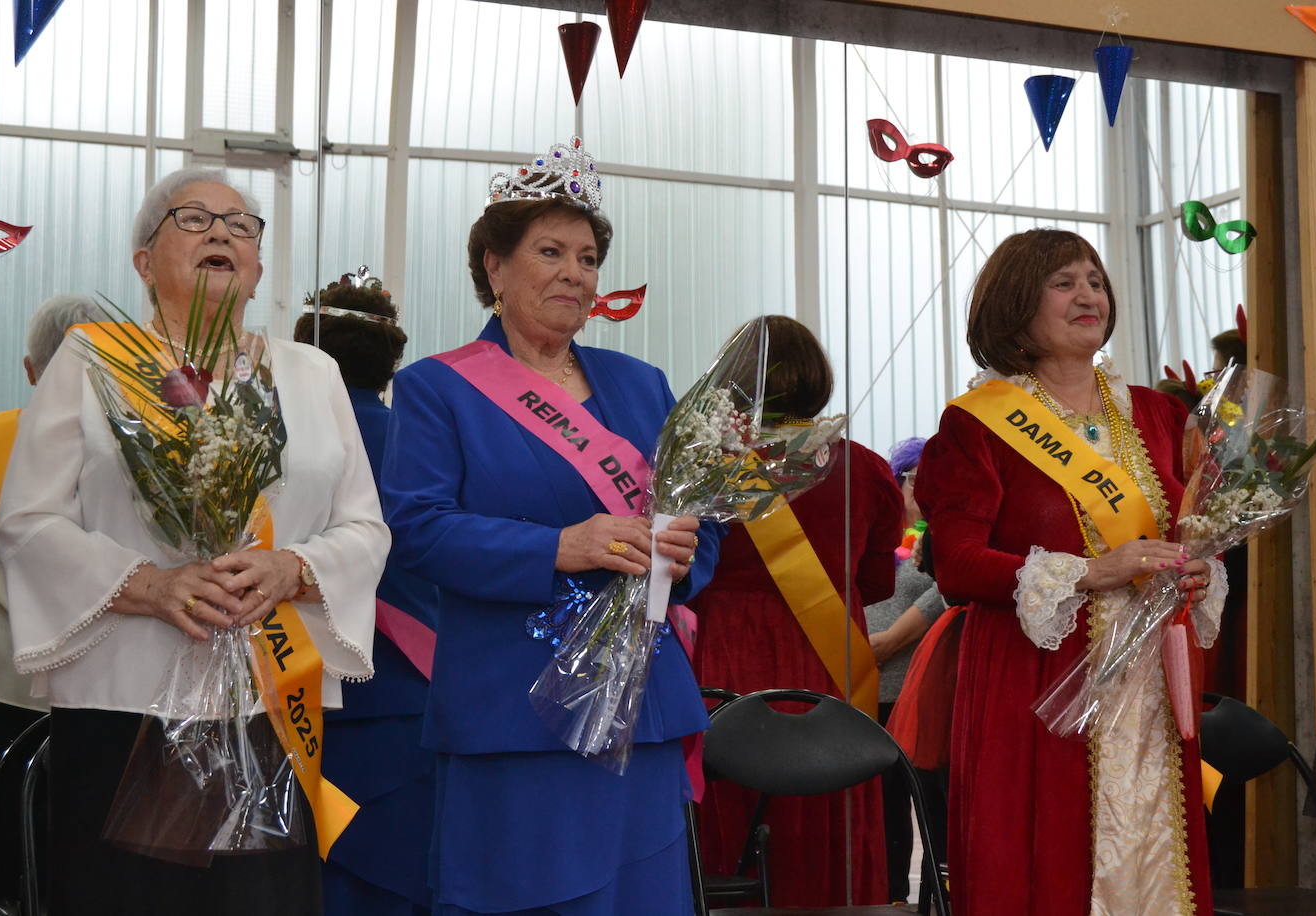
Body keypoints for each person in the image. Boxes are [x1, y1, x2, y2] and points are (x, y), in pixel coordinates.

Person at [0, 167, 387, 916]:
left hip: (273, 708)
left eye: (242, 225)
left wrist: (292, 567)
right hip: (124, 704)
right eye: (195, 219)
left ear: (259, 267)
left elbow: (365, 527)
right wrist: (148, 584)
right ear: (144, 261)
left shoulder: (312, 372)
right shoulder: (91, 360)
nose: (222, 233)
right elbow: (28, 520)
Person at [379, 137, 722, 914]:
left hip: (644, 707)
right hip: (514, 708)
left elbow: (699, 524)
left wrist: (684, 548)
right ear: (495, 268)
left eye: (589, 256)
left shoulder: (643, 385)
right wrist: (561, 547)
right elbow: (418, 530)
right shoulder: (439, 388)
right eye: (551, 251)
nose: (576, 271)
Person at [914, 228, 1225, 916]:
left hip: (1146, 686)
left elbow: (1184, 532)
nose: (1088, 294)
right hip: (1035, 682)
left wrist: (1196, 570)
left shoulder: (1154, 411)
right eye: (1064, 282)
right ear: (1016, 305)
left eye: (1094, 279)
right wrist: (1091, 571)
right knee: (1043, 868)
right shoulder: (978, 425)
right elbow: (959, 566)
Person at [690, 315, 903, 906]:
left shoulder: (708, 465)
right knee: (828, 787)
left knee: (732, 790)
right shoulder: (863, 467)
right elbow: (879, 583)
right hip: (827, 654)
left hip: (726, 654)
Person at [292, 273, 433, 915]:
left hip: (299, 681)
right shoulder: (422, 442)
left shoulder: (287, 447)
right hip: (410, 690)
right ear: (390, 362)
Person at [0, 294, 102, 888]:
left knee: (5, 861)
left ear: (31, 372)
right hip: (111, 699)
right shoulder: (146, 457)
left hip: (0, 695)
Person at [864, 436, 947, 906]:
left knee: (929, 796)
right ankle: (890, 896)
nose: (924, 488)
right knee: (882, 806)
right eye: (917, 478)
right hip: (866, 686)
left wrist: (894, 638)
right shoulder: (875, 533)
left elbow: (944, 591)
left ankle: (937, 897)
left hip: (914, 684)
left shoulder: (935, 536)